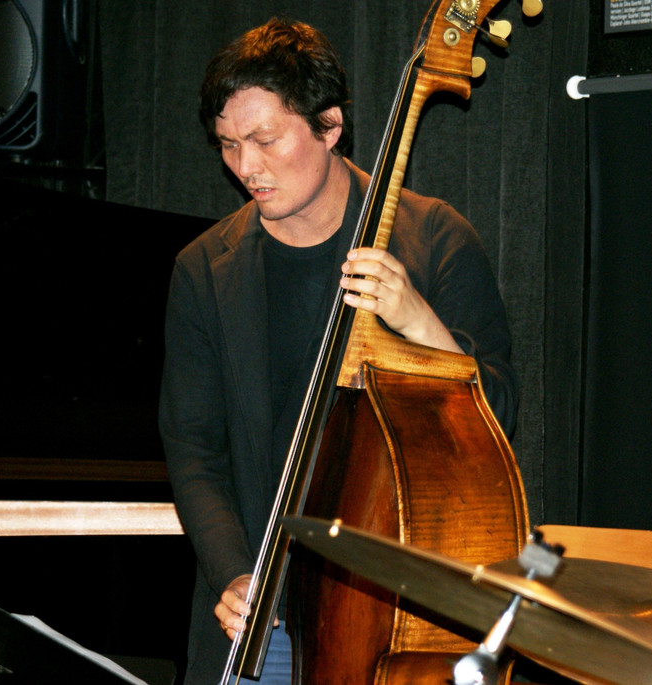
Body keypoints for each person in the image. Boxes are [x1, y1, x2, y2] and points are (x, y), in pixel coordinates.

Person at [158, 17, 518, 685]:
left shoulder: (435, 238)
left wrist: (419, 320)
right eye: (229, 144)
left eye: (265, 140)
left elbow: (497, 416)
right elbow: (194, 451)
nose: (246, 168)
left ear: (329, 126)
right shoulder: (204, 269)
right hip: (264, 618)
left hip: (391, 615)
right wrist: (232, 572)